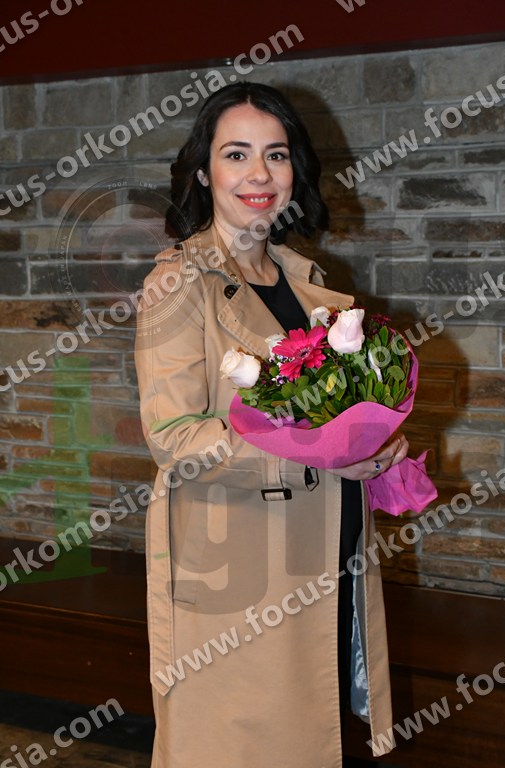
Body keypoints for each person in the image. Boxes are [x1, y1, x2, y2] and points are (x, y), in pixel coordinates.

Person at [135, 82, 409, 768]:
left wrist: (377, 446)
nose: (259, 174)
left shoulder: (315, 285)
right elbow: (175, 438)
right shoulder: (178, 283)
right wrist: (319, 455)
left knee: (313, 737)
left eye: (276, 154)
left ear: (295, 168)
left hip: (326, 553)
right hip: (241, 571)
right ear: (204, 173)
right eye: (236, 154)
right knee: (239, 748)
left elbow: (336, 413)